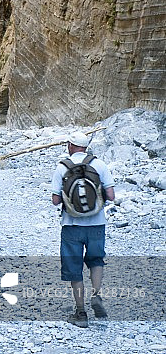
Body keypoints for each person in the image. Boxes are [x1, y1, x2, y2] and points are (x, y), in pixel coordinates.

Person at [51, 131, 115, 328]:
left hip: (71, 225)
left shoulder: (62, 167)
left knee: (74, 267)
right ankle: (96, 295)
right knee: (96, 260)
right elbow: (111, 196)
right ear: (86, 147)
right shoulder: (99, 164)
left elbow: (55, 201)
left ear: (70, 145)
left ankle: (80, 313)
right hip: (97, 223)